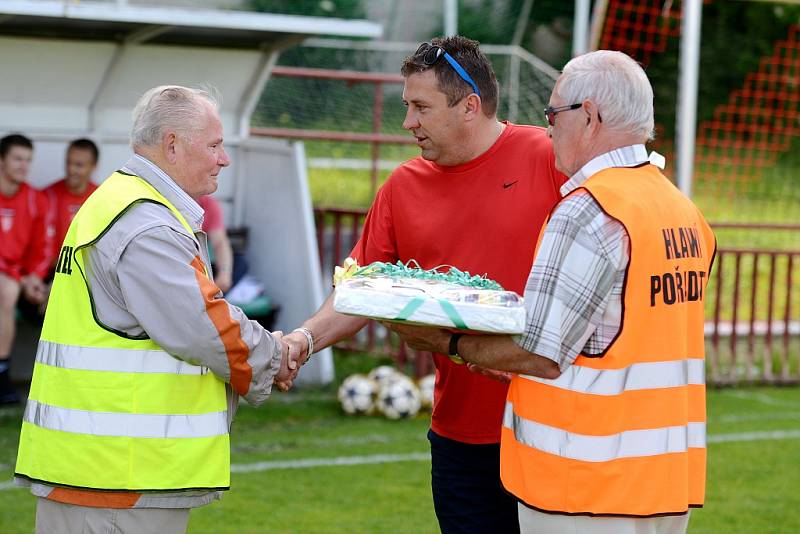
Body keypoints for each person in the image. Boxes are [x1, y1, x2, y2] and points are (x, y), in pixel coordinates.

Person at [388, 50, 716, 533]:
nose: (548, 129)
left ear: (588, 116)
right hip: (662, 483)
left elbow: (541, 352)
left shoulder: (588, 209)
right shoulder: (682, 210)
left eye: (553, 115)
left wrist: (443, 341)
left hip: (586, 483)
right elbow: (617, 340)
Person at [283, 36, 565, 533]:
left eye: (420, 107)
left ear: (469, 107)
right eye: (406, 106)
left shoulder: (551, 158)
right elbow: (359, 290)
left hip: (553, 430)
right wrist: (302, 341)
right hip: (460, 440)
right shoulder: (403, 186)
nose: (409, 121)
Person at [14, 85, 296, 534]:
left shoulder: (119, 201)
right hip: (117, 478)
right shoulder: (144, 220)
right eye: (215, 145)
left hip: (96, 471)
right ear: (172, 145)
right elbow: (204, 327)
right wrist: (275, 357)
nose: (224, 159)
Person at [0, 134, 54, 404]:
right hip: (9, 280)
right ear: (2, 160)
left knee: (55, 297)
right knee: (6, 291)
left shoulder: (36, 199)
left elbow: (44, 248)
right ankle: (2, 375)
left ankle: (55, 383)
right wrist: (21, 279)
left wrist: (34, 278)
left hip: (21, 279)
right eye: (17, 159)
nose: (23, 165)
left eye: (28, 160)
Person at [44, 138, 100, 254]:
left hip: (87, 270)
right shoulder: (48, 195)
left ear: (94, 167)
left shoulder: (101, 197)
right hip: (51, 270)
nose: (71, 169)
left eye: (79, 165)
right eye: (68, 162)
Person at [197, 194, 234, 292]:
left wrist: (224, 273)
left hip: (202, 261)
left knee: (241, 264)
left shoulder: (208, 202)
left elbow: (220, 242)